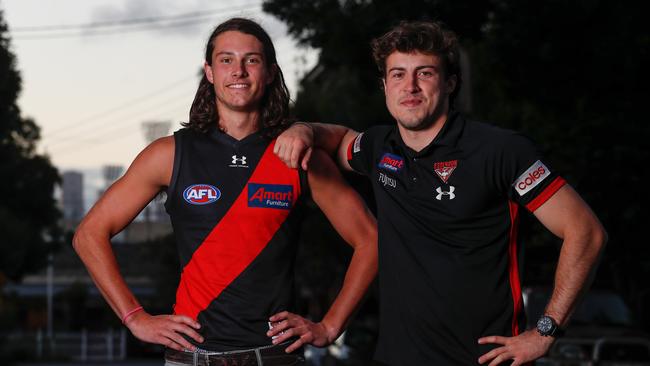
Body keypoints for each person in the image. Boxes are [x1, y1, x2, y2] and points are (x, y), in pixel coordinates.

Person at [272, 20, 607, 365]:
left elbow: (586, 233)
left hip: (483, 360)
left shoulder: (500, 151)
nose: (410, 86)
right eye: (398, 75)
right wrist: (303, 129)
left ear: (450, 83)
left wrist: (545, 332)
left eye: (425, 73)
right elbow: (340, 139)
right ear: (385, 86)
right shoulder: (379, 148)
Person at [73, 18, 378, 366]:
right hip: (191, 358)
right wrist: (135, 317)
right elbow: (88, 234)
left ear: (270, 72)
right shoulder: (169, 154)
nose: (239, 71)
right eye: (226, 60)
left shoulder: (297, 153)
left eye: (252, 60)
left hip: (276, 356)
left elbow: (371, 239)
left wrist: (329, 326)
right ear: (209, 71)